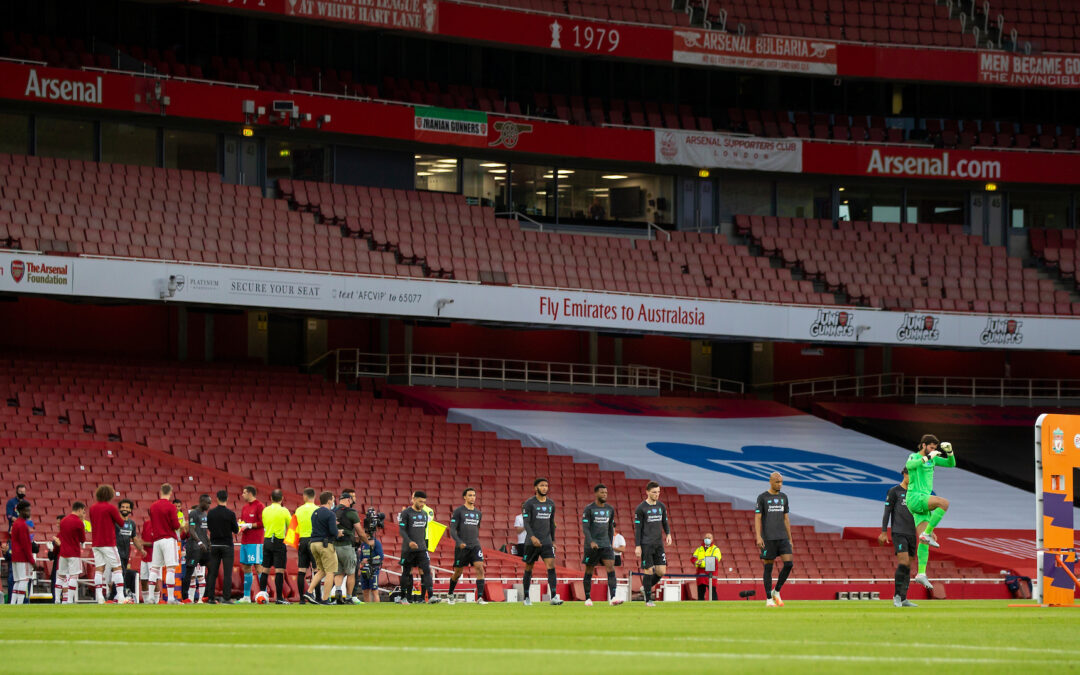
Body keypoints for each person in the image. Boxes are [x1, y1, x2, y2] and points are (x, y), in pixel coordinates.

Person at [906, 434, 956, 591]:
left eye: (935, 448)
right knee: (944, 503)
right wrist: (927, 457)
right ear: (923, 445)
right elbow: (910, 466)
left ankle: (921, 573)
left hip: (922, 503)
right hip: (915, 497)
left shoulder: (933, 459)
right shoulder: (914, 456)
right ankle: (927, 533)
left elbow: (951, 464)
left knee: (924, 542)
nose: (934, 450)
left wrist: (950, 452)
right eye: (931, 447)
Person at [880, 467, 918, 608]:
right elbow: (887, 512)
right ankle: (896, 596)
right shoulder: (894, 491)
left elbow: (922, 514)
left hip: (912, 534)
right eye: (910, 474)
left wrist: (929, 530)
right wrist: (884, 532)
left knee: (908, 565)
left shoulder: (915, 493)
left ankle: (903, 598)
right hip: (898, 532)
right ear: (904, 474)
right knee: (903, 562)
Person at [521, 477, 562, 606]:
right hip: (531, 542)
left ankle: (554, 597)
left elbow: (551, 523)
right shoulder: (529, 503)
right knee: (529, 567)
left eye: (546, 485)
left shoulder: (551, 504)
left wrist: (553, 540)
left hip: (546, 541)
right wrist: (532, 537)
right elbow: (526, 523)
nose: (544, 487)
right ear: (536, 488)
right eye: (542, 485)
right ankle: (527, 597)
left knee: (551, 566)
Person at [755, 472, 793, 608]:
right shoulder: (762, 497)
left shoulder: (784, 497)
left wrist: (790, 538)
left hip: (782, 537)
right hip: (768, 538)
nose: (780, 484)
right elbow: (758, 518)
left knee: (789, 564)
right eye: (777, 482)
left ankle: (776, 591)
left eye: (781, 482)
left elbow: (786, 518)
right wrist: (758, 536)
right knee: (768, 568)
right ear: (770, 481)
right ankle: (768, 599)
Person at [582, 483, 621, 607]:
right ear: (596, 494)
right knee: (589, 570)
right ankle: (588, 598)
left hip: (605, 545)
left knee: (611, 569)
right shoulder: (589, 509)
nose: (605, 495)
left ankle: (613, 597)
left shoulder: (610, 509)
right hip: (591, 546)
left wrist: (609, 543)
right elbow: (585, 528)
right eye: (602, 493)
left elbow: (610, 527)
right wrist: (591, 541)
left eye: (606, 493)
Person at [88, 484, 128, 604]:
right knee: (117, 568)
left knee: (99, 569)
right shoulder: (110, 508)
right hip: (108, 543)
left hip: (96, 543)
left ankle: (99, 597)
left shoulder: (92, 508)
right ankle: (120, 596)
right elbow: (121, 523)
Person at [634, 480, 672, 607]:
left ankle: (646, 587)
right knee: (648, 571)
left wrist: (668, 534)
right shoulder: (641, 508)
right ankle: (648, 599)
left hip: (658, 544)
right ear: (647, 492)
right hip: (646, 544)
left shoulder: (661, 506)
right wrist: (638, 546)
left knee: (661, 571)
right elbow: (638, 529)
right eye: (654, 492)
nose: (657, 494)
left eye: (658, 492)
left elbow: (665, 522)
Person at [148, 483, 185, 605]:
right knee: (170, 568)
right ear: (170, 492)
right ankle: (170, 598)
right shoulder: (171, 507)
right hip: (169, 539)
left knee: (154, 568)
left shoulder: (153, 506)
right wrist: (181, 525)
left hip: (157, 540)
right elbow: (175, 526)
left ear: (160, 491)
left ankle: (150, 597)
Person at [398, 490, 438, 604]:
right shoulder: (406, 513)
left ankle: (429, 596)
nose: (422, 504)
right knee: (407, 572)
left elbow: (423, 531)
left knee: (426, 571)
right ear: (414, 499)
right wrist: (409, 542)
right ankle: (404, 597)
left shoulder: (424, 514)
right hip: (408, 549)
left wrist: (423, 544)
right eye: (420, 501)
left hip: (421, 548)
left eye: (424, 502)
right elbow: (402, 530)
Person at [448, 487, 486, 605]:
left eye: (474, 495)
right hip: (462, 547)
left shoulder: (478, 513)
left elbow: (476, 528)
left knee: (480, 567)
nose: (472, 497)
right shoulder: (459, 511)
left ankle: (479, 598)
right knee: (458, 572)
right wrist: (459, 542)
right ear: (464, 497)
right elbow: (452, 529)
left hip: (475, 545)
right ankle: (450, 594)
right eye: (470, 495)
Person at [305, 491, 339, 605]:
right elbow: (333, 532)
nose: (333, 502)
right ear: (329, 500)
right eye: (333, 499)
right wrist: (338, 532)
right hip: (325, 544)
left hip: (313, 544)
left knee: (321, 570)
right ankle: (325, 599)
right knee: (330, 572)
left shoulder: (315, 512)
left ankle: (309, 592)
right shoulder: (330, 514)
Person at [206, 489, 239, 604]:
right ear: (227, 499)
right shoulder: (230, 514)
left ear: (217, 498)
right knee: (227, 573)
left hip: (214, 544)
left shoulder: (211, 513)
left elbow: (209, 527)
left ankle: (210, 597)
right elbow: (236, 529)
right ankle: (226, 597)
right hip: (227, 545)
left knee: (212, 572)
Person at [332, 490, 365, 605]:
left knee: (339, 572)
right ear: (348, 500)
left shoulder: (333, 511)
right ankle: (349, 597)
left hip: (334, 546)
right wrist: (365, 540)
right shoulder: (351, 512)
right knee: (351, 573)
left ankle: (338, 591)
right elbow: (359, 530)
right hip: (347, 546)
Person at [260, 489, 291, 604]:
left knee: (265, 569)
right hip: (278, 540)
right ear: (282, 499)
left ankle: (262, 596)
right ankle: (279, 598)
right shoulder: (284, 511)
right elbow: (290, 525)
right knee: (279, 570)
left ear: (271, 498)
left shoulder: (265, 510)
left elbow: (264, 524)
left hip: (267, 540)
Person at [237, 485, 264, 603]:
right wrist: (241, 524)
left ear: (250, 493)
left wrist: (250, 525)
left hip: (255, 541)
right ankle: (247, 597)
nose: (242, 495)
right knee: (246, 566)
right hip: (245, 541)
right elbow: (243, 521)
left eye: (244, 493)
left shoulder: (259, 506)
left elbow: (263, 523)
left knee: (258, 566)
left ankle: (264, 594)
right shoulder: (244, 507)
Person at [182, 494, 211, 603]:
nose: (209, 505)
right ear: (201, 501)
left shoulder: (204, 514)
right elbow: (192, 530)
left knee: (212, 568)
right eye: (207, 503)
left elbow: (204, 531)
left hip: (204, 548)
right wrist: (199, 542)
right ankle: (185, 597)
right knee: (190, 572)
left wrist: (209, 543)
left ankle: (206, 596)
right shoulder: (194, 513)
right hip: (194, 547)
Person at [57, 501, 87, 604]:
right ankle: (70, 600)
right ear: (79, 509)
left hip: (63, 552)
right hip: (74, 553)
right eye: (83, 511)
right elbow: (83, 539)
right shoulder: (79, 522)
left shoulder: (63, 521)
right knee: (74, 576)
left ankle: (57, 600)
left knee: (61, 576)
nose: (83, 513)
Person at [294, 487, 318, 604]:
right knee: (317, 570)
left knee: (301, 570)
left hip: (303, 540)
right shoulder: (318, 509)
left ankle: (301, 599)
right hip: (314, 540)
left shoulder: (298, 510)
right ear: (314, 497)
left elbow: (295, 527)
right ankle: (318, 597)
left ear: (305, 496)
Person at [111, 499, 139, 601]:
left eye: (127, 507)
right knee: (119, 573)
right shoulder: (115, 522)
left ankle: (114, 596)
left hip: (126, 553)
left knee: (122, 574)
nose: (125, 509)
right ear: (119, 508)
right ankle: (119, 595)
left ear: (131, 509)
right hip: (115, 552)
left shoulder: (132, 523)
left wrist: (141, 549)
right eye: (123, 507)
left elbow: (134, 538)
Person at [9, 500, 33, 604]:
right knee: (24, 580)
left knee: (18, 580)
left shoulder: (16, 524)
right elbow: (26, 545)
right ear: (22, 511)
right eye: (27, 510)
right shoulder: (22, 525)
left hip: (15, 556)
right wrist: (32, 560)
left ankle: (13, 603)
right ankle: (19, 604)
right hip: (22, 557)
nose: (29, 512)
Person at [692, 533, 722, 601]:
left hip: (711, 575)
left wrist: (701, 563)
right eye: (706, 537)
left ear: (712, 539)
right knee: (700, 595)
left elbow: (716, 560)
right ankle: (700, 609)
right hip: (701, 575)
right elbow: (693, 559)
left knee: (713, 594)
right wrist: (697, 562)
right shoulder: (699, 549)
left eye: (709, 538)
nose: (707, 539)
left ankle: (715, 609)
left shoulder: (716, 549)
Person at [359, 533, 384, 603]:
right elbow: (361, 557)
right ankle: (367, 608)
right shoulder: (363, 544)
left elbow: (381, 557)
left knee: (374, 590)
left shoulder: (376, 543)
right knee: (365, 591)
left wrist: (368, 560)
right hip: (364, 570)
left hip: (373, 569)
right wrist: (361, 563)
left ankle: (377, 609)